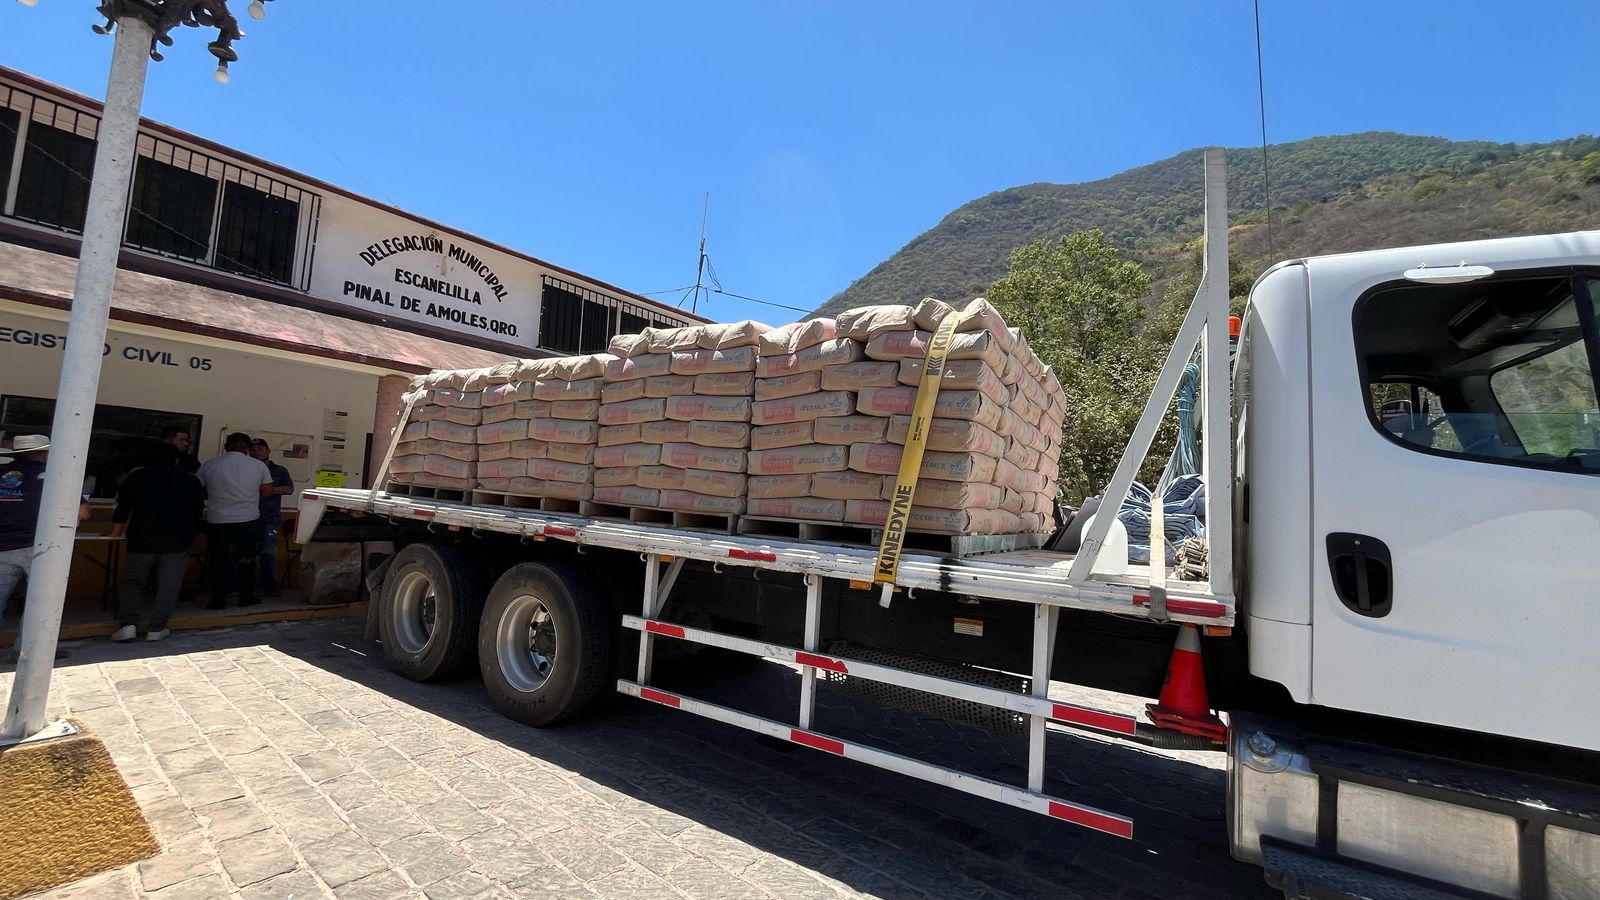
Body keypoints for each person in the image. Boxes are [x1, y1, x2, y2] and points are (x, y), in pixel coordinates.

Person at [0, 435, 87, 662]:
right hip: (40, 546)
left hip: (2, 545)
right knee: (40, 602)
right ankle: (30, 652)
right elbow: (82, 511)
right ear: (45, 452)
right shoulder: (56, 475)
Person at [110, 444, 206, 642]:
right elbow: (198, 510)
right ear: (177, 460)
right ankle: (157, 628)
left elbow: (122, 507)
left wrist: (116, 532)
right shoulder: (190, 480)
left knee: (133, 582)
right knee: (169, 585)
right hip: (178, 541)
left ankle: (127, 625)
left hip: (141, 538)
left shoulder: (137, 476)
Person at [196, 432, 272, 610]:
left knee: (218, 560)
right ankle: (245, 597)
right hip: (247, 519)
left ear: (225, 447)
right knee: (246, 560)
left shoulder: (209, 465)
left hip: (217, 519)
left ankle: (218, 600)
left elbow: (199, 489)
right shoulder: (258, 466)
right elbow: (267, 491)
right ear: (247, 448)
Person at [248, 439, 294, 598]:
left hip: (269, 518)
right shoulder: (245, 468)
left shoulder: (279, 470)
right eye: (253, 450)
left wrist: (267, 489)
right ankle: (243, 585)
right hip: (246, 517)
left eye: (261, 449)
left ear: (268, 451)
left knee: (268, 552)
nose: (257, 452)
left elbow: (289, 489)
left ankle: (269, 585)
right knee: (245, 552)